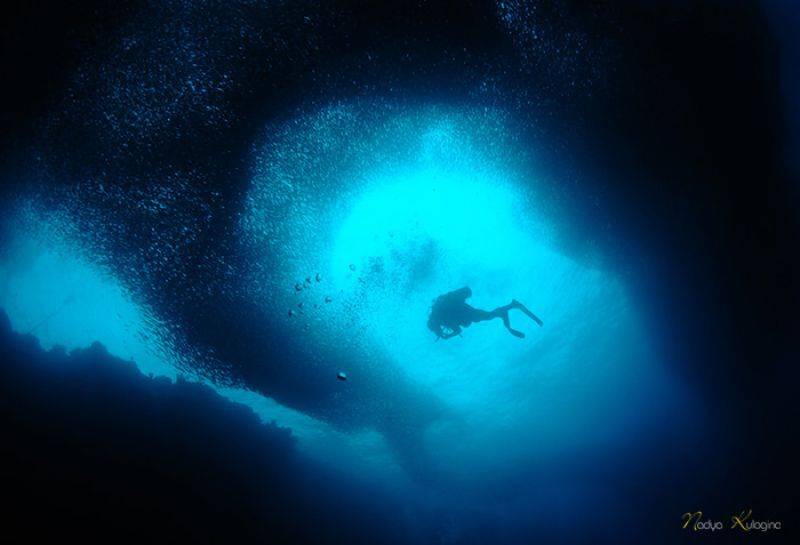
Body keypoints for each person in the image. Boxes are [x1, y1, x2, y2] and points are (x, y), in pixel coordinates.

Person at [427, 287, 543, 340]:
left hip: (468, 313)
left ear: (434, 324)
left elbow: (458, 330)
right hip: (468, 312)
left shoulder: (442, 318)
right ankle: (508, 308)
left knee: (488, 316)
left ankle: (511, 306)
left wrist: (447, 336)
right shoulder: (440, 315)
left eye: (436, 329)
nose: (439, 330)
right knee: (489, 316)